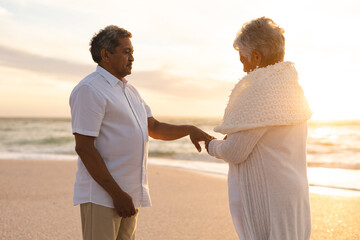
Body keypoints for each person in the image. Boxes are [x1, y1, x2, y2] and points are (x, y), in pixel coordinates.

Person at [69, 25, 212, 240]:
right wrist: (116, 194)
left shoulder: (129, 90)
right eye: (126, 52)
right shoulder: (89, 89)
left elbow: (153, 128)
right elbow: (84, 148)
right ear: (106, 55)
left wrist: (189, 129)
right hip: (103, 197)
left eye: (132, 52)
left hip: (129, 197)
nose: (132, 57)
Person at [205, 17, 312, 240]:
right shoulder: (293, 88)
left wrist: (210, 144)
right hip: (294, 193)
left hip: (270, 198)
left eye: (243, 59)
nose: (243, 68)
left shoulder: (258, 90)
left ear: (256, 56)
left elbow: (235, 151)